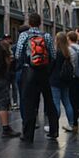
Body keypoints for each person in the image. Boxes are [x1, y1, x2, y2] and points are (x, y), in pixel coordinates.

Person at [15, 13, 59, 142]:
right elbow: (53, 55)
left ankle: (28, 135)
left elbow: (18, 54)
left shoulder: (24, 35)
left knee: (29, 103)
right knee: (49, 102)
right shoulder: (46, 36)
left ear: (29, 22)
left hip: (29, 71)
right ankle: (54, 130)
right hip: (44, 72)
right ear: (40, 23)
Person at [50, 32, 75, 132]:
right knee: (67, 102)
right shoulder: (67, 52)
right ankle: (71, 124)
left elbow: (51, 67)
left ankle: (54, 125)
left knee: (56, 103)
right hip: (65, 81)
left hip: (55, 80)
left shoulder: (56, 53)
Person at [13, 24, 30, 121]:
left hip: (20, 72)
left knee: (22, 97)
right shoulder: (33, 44)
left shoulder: (16, 47)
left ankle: (25, 119)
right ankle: (32, 117)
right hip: (32, 71)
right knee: (33, 96)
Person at [3, 34, 19, 110]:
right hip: (7, 71)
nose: (7, 40)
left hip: (13, 70)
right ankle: (8, 103)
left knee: (14, 87)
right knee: (7, 87)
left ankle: (15, 102)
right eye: (6, 39)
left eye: (8, 38)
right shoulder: (3, 48)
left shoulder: (14, 48)